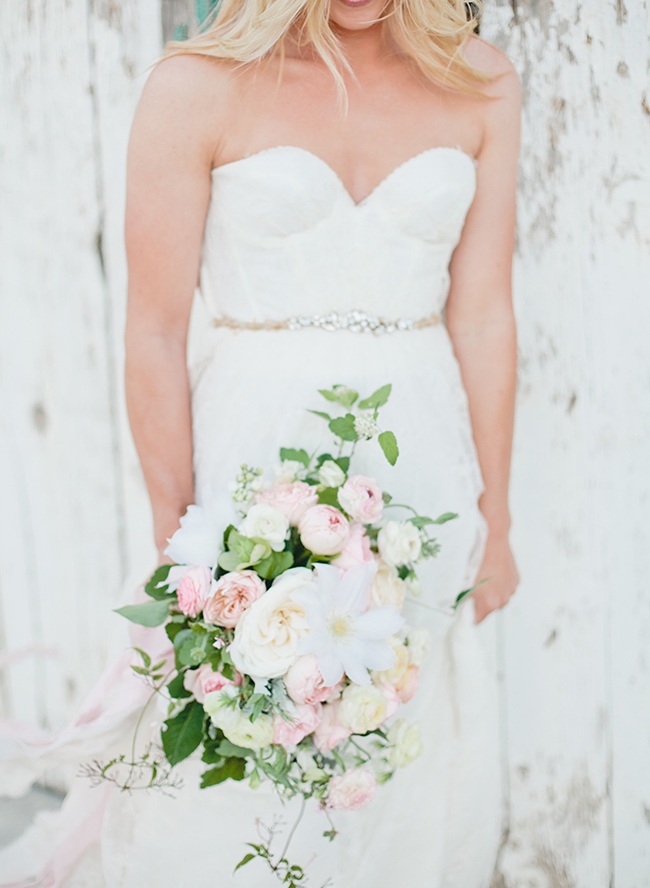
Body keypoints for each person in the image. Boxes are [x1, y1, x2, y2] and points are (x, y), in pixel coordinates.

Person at [0, 0, 520, 885]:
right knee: (245, 747)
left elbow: (482, 315)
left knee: (402, 731)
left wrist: (496, 522)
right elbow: (156, 332)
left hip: (421, 473)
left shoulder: (481, 82)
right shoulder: (193, 87)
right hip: (253, 464)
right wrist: (183, 548)